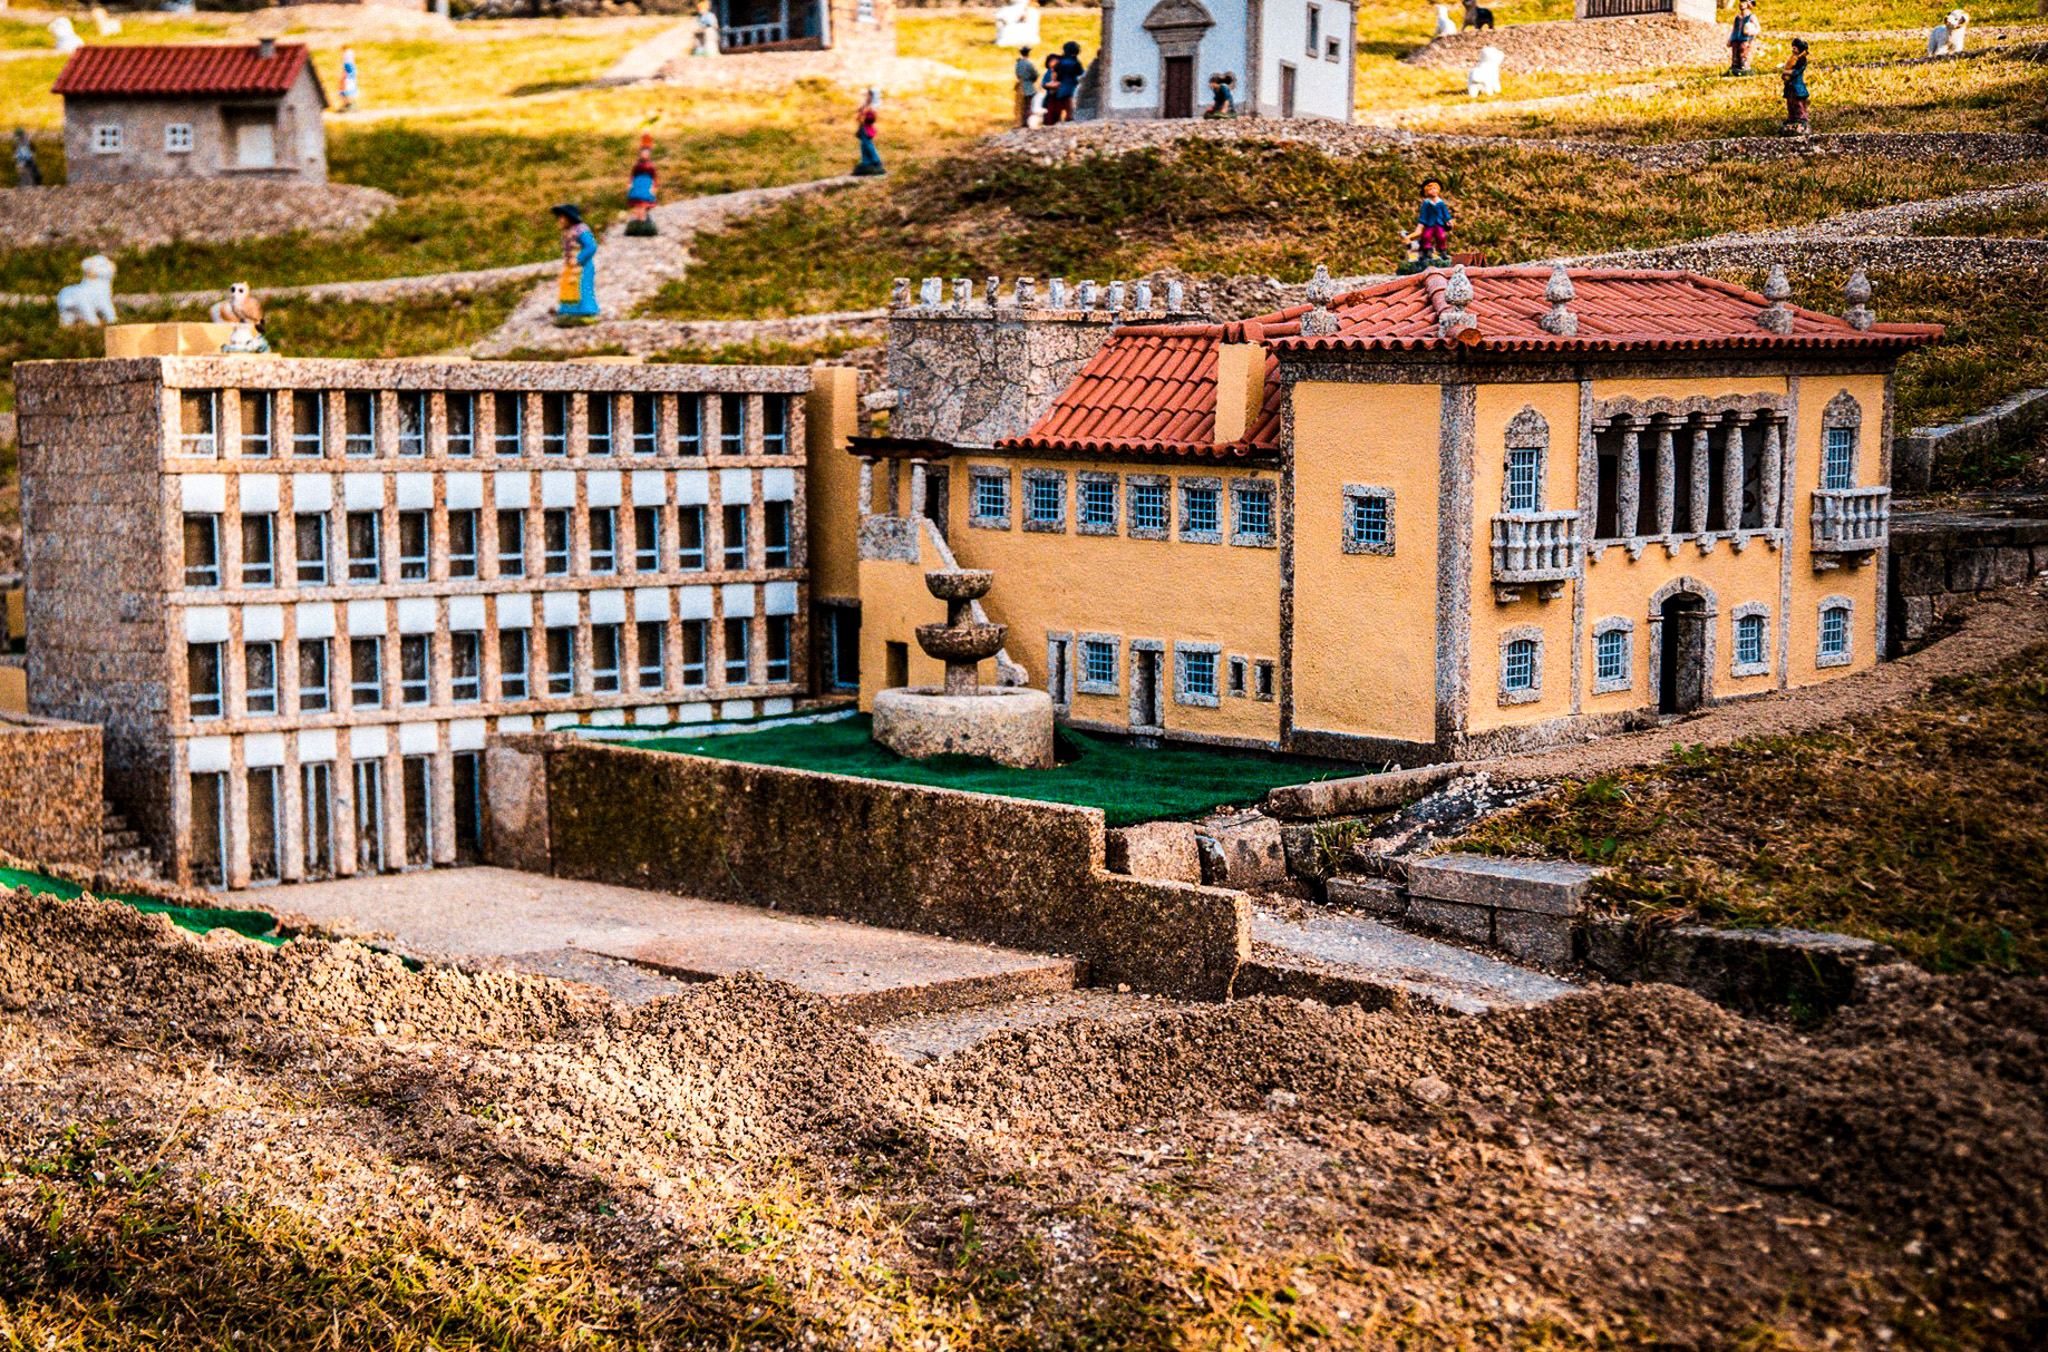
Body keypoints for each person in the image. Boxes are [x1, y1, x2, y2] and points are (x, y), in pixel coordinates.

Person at [552, 204, 599, 324]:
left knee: (582, 288)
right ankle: (569, 310)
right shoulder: (568, 231)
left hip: (582, 267)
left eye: (562, 217)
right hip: (570, 266)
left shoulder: (581, 230)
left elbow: (591, 246)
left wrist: (578, 258)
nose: (560, 220)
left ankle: (585, 311)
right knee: (569, 287)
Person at [1401, 177, 1454, 267]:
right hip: (1429, 224)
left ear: (1438, 190)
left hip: (1439, 223)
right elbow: (1423, 214)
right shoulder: (1426, 203)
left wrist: (1448, 221)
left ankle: (1442, 252)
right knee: (1426, 236)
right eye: (1430, 189)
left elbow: (1445, 213)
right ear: (1426, 192)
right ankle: (1426, 252)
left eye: (1434, 188)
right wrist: (1421, 223)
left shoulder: (1441, 203)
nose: (1433, 191)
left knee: (1441, 236)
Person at [1041, 40, 1085, 126]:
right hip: (1071, 90)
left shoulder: (1059, 61)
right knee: (1069, 112)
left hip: (1058, 91)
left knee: (1054, 114)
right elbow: (1081, 75)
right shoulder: (1075, 62)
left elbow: (1053, 75)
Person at [626, 133, 658, 236]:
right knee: (638, 205)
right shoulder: (637, 165)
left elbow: (654, 177)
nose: (644, 154)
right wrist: (630, 183)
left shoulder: (651, 165)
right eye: (643, 152)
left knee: (644, 205)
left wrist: (653, 186)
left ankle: (644, 223)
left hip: (646, 185)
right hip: (638, 185)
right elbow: (633, 175)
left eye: (646, 152)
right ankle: (637, 223)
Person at [1780, 37, 1810, 134]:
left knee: (1798, 103)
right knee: (1790, 103)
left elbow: (1796, 72)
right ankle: (1792, 118)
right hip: (1790, 87)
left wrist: (1787, 72)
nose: (1793, 50)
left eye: (1795, 48)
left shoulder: (1801, 61)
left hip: (1797, 86)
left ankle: (1801, 118)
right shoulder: (1792, 59)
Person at [853, 88, 885, 177]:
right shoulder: (866, 105)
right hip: (863, 127)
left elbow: (863, 113)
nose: (866, 96)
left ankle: (876, 160)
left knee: (868, 144)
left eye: (868, 95)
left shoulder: (871, 107)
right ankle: (866, 161)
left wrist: (861, 113)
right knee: (863, 145)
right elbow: (860, 114)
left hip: (867, 128)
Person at [1728, 0, 1760, 74]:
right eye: (1741, 2)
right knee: (1735, 52)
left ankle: (1744, 67)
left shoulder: (1751, 17)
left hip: (1745, 38)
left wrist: (1751, 32)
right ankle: (1735, 67)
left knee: (1743, 52)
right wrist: (1730, 39)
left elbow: (1758, 28)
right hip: (1736, 38)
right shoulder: (1737, 18)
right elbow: (1734, 29)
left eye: (1744, 2)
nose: (1741, 4)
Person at [1014, 47, 1039, 128]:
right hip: (1028, 86)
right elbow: (1035, 75)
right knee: (1028, 105)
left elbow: (1017, 74)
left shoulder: (1018, 63)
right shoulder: (1028, 64)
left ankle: (1021, 121)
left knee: (1021, 106)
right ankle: (1026, 122)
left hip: (1020, 85)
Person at [339, 47, 359, 112]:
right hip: (350, 79)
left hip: (348, 79)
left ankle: (349, 106)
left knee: (347, 92)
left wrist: (343, 79)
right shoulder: (350, 64)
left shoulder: (348, 64)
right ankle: (349, 105)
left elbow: (346, 72)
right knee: (348, 92)